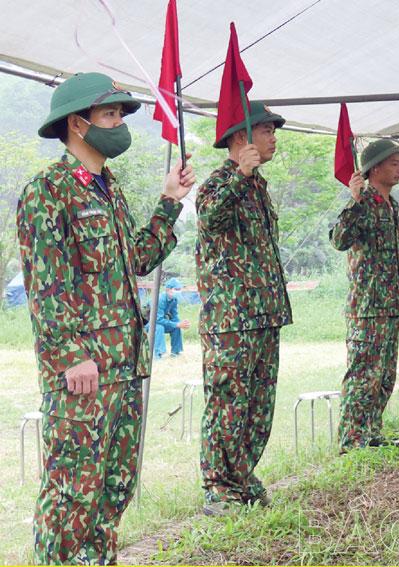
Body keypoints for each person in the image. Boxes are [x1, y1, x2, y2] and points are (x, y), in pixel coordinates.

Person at [17, 72, 194, 564]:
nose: (119, 124)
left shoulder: (106, 189)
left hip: (122, 366)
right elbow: (46, 288)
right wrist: (73, 358)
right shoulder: (47, 192)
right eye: (110, 114)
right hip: (83, 376)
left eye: (119, 114)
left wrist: (169, 203)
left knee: (112, 488)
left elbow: (134, 259)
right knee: (72, 492)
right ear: (78, 124)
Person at [195, 101, 293, 514]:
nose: (273, 137)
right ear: (240, 137)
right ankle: (218, 486)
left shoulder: (258, 187)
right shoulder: (220, 182)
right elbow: (210, 217)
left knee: (257, 404)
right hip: (231, 319)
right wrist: (240, 175)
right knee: (227, 400)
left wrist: (248, 178)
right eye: (266, 130)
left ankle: (242, 475)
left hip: (263, 314)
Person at [330, 139, 399, 451]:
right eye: (393, 163)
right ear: (375, 168)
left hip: (388, 303)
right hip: (366, 306)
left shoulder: (391, 206)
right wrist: (353, 200)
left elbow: (391, 258)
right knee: (364, 373)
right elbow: (339, 240)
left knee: (384, 375)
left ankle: (372, 432)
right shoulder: (361, 202)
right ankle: (352, 439)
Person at [147, 277, 190, 359]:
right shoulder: (159, 299)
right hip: (148, 323)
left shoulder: (174, 300)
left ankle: (176, 352)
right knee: (159, 327)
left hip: (159, 322)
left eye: (179, 289)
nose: (178, 291)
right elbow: (157, 320)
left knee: (176, 327)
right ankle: (158, 354)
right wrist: (177, 324)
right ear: (168, 290)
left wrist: (181, 324)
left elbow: (175, 317)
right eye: (176, 289)